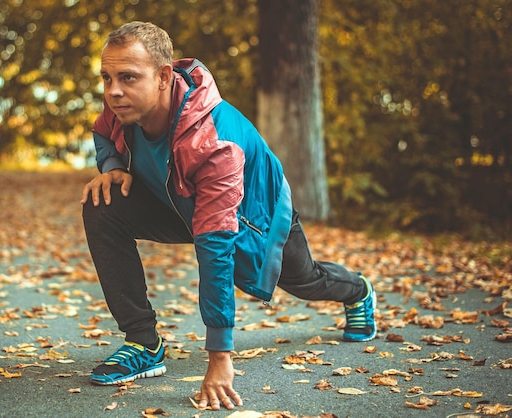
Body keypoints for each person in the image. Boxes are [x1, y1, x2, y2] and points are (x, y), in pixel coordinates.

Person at [80, 21, 376, 411]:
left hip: (256, 217)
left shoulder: (216, 143)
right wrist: (113, 164)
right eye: (107, 77)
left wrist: (220, 357)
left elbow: (215, 248)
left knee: (305, 279)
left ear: (164, 77)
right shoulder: (124, 104)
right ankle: (143, 343)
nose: (113, 90)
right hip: (178, 204)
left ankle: (358, 291)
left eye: (128, 77)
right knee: (101, 203)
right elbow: (102, 131)